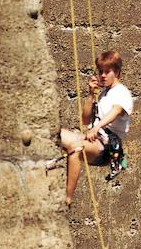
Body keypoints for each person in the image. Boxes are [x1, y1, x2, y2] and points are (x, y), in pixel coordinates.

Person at [47, 50, 133, 205]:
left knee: (76, 147)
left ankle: (67, 199)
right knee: (56, 134)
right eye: (100, 72)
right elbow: (85, 119)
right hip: (96, 138)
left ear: (117, 72)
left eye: (108, 72)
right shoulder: (104, 94)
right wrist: (91, 94)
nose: (103, 75)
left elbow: (116, 111)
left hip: (108, 148)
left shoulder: (122, 92)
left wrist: (96, 127)